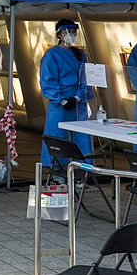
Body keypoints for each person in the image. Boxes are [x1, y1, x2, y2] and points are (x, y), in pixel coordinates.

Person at [39, 18, 95, 168]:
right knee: (58, 136)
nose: (71, 35)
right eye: (68, 32)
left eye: (74, 32)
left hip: (78, 103)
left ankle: (81, 171)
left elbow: (87, 78)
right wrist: (62, 100)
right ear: (59, 34)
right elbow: (47, 80)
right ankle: (59, 172)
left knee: (81, 137)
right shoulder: (51, 55)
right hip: (59, 105)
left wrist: (78, 96)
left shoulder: (80, 54)